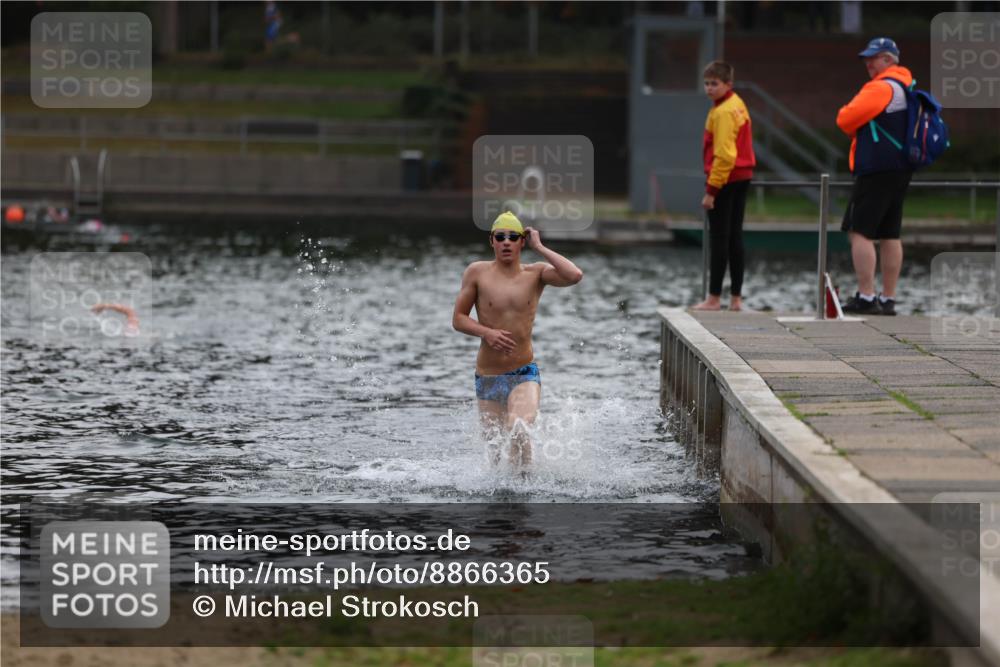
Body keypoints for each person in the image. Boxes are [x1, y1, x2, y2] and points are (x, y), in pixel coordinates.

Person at [452, 212, 583, 468]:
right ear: (492, 241)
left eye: (513, 237)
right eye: (500, 237)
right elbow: (458, 318)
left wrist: (540, 246)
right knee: (495, 455)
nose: (506, 242)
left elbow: (574, 275)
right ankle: (508, 495)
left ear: (522, 241)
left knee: (519, 428)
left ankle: (526, 487)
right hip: (488, 376)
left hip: (524, 373)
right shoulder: (477, 273)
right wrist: (486, 332)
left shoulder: (535, 274)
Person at [836, 37, 913, 316]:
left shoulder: (881, 87)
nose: (868, 63)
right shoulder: (907, 86)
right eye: (866, 58)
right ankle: (888, 298)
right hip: (901, 167)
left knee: (861, 232)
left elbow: (845, 118)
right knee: (890, 233)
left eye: (874, 57)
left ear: (889, 59)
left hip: (876, 168)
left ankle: (867, 297)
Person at [692, 61, 756, 312]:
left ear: (727, 84)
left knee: (720, 238)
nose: (709, 88)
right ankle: (736, 298)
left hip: (726, 179)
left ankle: (714, 298)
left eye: (714, 84)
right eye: (706, 83)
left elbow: (725, 155)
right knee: (735, 237)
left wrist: (711, 191)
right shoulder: (737, 103)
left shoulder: (722, 112)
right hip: (743, 176)